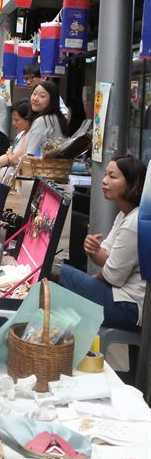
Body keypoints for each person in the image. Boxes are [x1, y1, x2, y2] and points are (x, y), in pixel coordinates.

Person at [59, 155, 147, 329]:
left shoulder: (133, 223)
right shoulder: (124, 214)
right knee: (67, 280)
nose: (104, 181)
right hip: (118, 295)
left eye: (112, 177)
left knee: (63, 274)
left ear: (132, 184)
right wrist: (93, 250)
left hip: (129, 306)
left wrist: (91, 279)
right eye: (105, 175)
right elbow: (105, 255)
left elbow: (113, 276)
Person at [20, 80, 67, 157]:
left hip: (39, 167)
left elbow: (29, 155)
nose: (35, 98)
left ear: (52, 100)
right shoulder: (57, 118)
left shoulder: (43, 121)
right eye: (34, 94)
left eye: (42, 96)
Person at [0, 100, 31, 169]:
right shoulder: (20, 134)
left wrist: (10, 154)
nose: (13, 123)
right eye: (13, 120)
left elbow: (14, 159)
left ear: (28, 118)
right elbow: (8, 157)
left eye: (16, 120)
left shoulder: (31, 135)